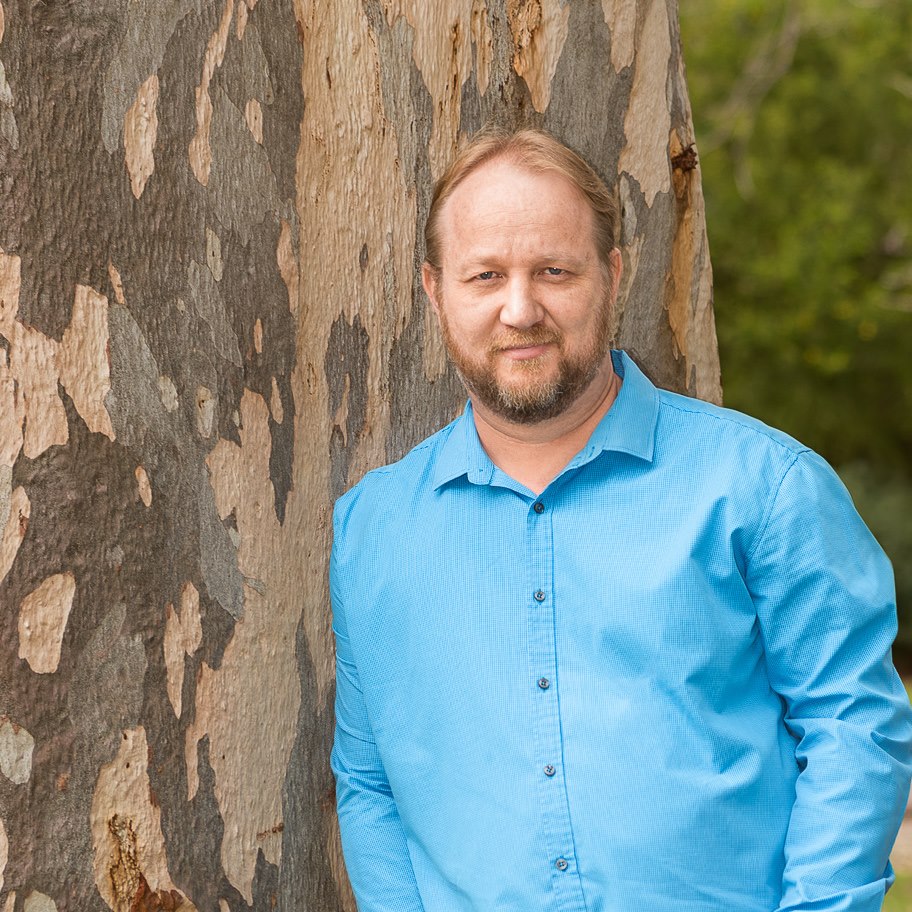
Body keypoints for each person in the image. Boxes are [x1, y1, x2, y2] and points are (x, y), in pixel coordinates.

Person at [329, 127, 912, 912]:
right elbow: (369, 784)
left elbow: (854, 730)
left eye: (554, 271)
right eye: (485, 275)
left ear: (613, 275)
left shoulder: (763, 488)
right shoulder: (373, 528)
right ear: (435, 290)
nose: (519, 308)